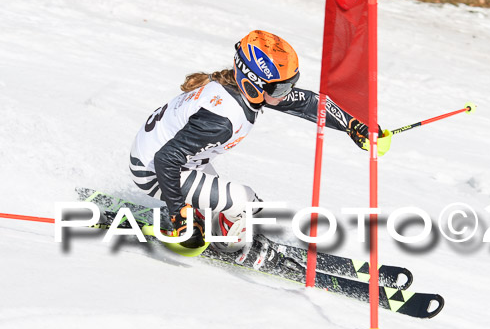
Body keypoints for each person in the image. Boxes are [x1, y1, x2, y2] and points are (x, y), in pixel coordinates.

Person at [129, 30, 374, 251]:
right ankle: (230, 243)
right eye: (281, 89)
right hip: (154, 171)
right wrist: (178, 217)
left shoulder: (243, 90)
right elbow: (166, 160)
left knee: (236, 202)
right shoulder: (222, 119)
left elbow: (309, 103)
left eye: (291, 84)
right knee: (248, 202)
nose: (287, 93)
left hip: (175, 160)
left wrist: (353, 125)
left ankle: (210, 220)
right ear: (253, 83)